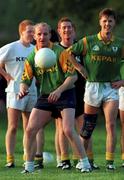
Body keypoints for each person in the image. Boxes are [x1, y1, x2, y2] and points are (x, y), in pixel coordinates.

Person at [19, 22, 91, 173]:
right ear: (34, 36)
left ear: (50, 35)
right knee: (30, 129)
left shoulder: (60, 52)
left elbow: (72, 77)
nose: (42, 37)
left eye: (45, 34)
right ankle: (29, 167)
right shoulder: (32, 56)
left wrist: (59, 91)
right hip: (46, 95)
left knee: (68, 129)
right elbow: (25, 79)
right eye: (39, 34)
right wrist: (22, 89)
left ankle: (85, 163)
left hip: (65, 93)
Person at [66, 8, 124, 170]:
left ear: (114, 23)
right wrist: (79, 68)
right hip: (92, 87)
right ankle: (82, 162)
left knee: (111, 125)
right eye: (104, 21)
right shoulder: (88, 41)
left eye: (110, 21)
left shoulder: (120, 43)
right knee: (88, 127)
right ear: (100, 22)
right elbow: (68, 53)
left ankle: (110, 163)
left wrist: (122, 80)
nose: (107, 24)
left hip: (111, 88)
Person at [55, 17, 99, 170]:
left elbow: (90, 66)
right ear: (59, 31)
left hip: (81, 90)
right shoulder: (55, 50)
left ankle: (87, 160)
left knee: (85, 126)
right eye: (63, 28)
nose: (67, 30)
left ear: (74, 31)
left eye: (69, 27)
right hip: (64, 91)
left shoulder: (81, 48)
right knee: (62, 127)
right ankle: (64, 160)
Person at [0, 19, 37, 167]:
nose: (32, 34)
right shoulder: (11, 47)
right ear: (21, 32)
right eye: (29, 31)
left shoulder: (35, 49)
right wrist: (7, 76)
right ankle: (10, 159)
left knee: (29, 128)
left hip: (31, 91)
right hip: (14, 91)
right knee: (13, 126)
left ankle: (27, 158)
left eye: (33, 32)